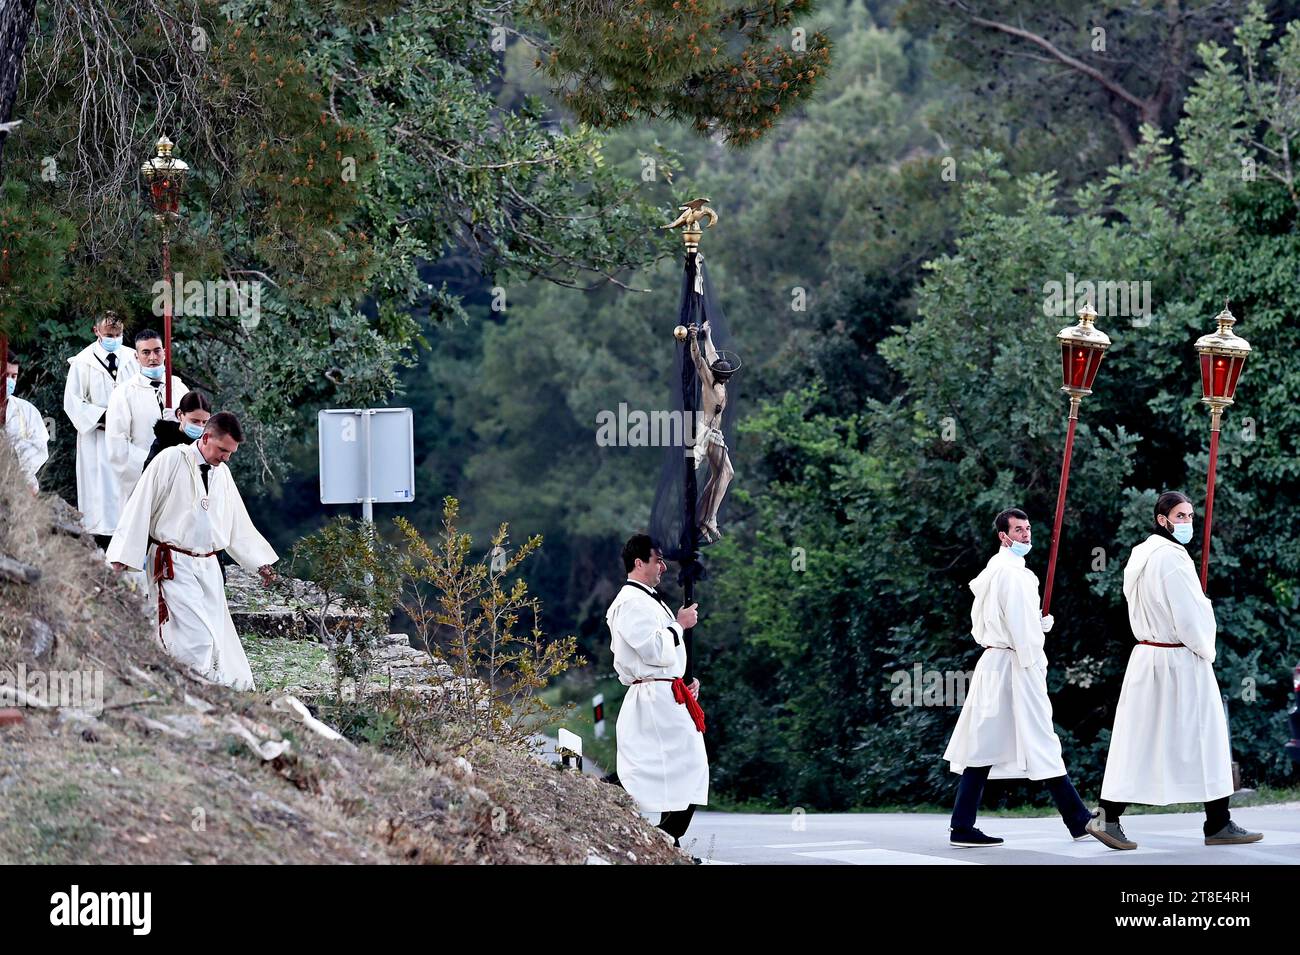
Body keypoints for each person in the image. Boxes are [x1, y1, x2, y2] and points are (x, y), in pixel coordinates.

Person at [1087, 491, 1263, 849]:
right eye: (1180, 516)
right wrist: (1205, 644)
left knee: (1138, 739)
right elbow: (1189, 617)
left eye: (1191, 516)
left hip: (1148, 657)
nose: (1188, 522)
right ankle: (1217, 823)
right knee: (1207, 737)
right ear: (1162, 519)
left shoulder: (1141, 554)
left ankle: (1114, 816)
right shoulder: (1173, 559)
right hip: (1179, 659)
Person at [943, 507, 1096, 847]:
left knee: (983, 744)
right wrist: (1036, 653)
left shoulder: (998, 569)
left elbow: (1000, 619)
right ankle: (1078, 819)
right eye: (1019, 529)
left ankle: (962, 826)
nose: (1026, 534)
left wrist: (1034, 622)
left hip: (997, 662)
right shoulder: (1012, 574)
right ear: (1003, 535)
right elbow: (1020, 629)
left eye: (1028, 528)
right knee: (1039, 738)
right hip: (1015, 663)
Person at [106, 411, 277, 690]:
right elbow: (140, 505)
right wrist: (121, 557)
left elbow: (236, 523)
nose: (226, 458)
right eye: (222, 450)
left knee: (215, 638)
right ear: (206, 437)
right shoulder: (172, 459)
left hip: (209, 567)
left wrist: (259, 563)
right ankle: (188, 690)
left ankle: (204, 692)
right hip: (174, 563)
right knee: (194, 637)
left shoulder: (223, 473)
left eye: (231, 453)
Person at [605, 533, 708, 852]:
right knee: (675, 766)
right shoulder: (631, 601)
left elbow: (664, 656)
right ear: (639, 563)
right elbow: (651, 649)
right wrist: (680, 625)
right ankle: (664, 837)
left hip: (666, 694)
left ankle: (666, 838)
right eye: (658, 559)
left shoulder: (646, 598)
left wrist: (682, 679)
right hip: (652, 698)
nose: (663, 566)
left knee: (681, 767)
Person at [63, 311, 139, 546]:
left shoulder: (133, 358)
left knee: (128, 493)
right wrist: (104, 416)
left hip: (127, 437)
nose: (114, 338)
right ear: (96, 331)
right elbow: (73, 401)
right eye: (109, 334)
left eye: (118, 334)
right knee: (100, 495)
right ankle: (101, 544)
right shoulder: (83, 362)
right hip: (97, 439)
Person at [106, 328, 190, 504]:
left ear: (165, 353)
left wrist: (181, 424)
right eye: (146, 352)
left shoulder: (179, 388)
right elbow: (117, 444)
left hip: (178, 475)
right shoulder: (123, 393)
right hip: (142, 475)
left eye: (157, 351)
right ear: (137, 357)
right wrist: (152, 464)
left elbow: (196, 428)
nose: (152, 358)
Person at [3, 356, 50, 492]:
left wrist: (20, 472)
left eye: (14, 376)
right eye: (6, 375)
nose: (10, 381)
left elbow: (40, 446)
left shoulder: (26, 409)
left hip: (22, 485)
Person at [143, 390, 212, 473]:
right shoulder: (164, 441)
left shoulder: (208, 445)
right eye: (194, 421)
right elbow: (149, 475)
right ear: (179, 415)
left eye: (204, 422)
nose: (200, 426)